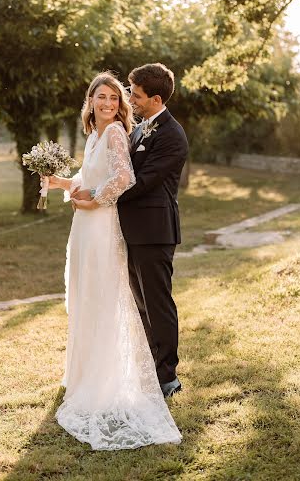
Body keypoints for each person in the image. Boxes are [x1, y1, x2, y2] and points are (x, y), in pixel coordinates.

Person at [46, 71, 181, 451]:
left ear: (121, 103)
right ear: (89, 101)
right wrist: (61, 183)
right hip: (86, 227)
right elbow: (91, 177)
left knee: (110, 300)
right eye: (100, 98)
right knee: (87, 299)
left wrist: (94, 199)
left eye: (114, 98)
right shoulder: (96, 135)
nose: (108, 104)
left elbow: (123, 179)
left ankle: (124, 380)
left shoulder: (120, 132)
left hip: (105, 226)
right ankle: (85, 374)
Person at [73, 64, 189, 398]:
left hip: (155, 231)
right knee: (140, 305)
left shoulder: (172, 136)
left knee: (158, 304)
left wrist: (98, 196)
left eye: (135, 95)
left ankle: (168, 376)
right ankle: (150, 368)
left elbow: (142, 182)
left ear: (155, 98)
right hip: (129, 230)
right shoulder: (139, 130)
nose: (130, 99)